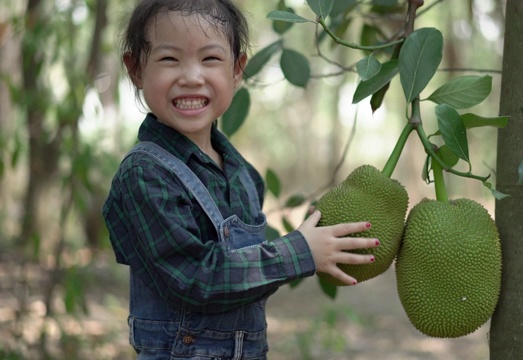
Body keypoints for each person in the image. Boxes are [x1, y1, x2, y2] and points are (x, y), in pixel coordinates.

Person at [102, 1, 380, 359]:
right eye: (169, 59)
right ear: (136, 69)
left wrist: (313, 243)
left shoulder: (244, 175)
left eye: (210, 59)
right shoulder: (144, 175)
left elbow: (246, 282)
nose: (191, 76)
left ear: (237, 70)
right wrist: (298, 252)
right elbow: (193, 279)